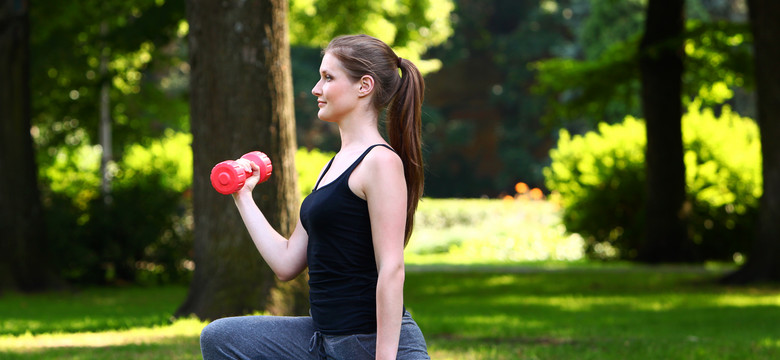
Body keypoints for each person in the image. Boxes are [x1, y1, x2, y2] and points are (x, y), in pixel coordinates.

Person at [199, 34, 430, 360]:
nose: (316, 89)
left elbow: (391, 268)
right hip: (323, 341)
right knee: (221, 338)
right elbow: (286, 262)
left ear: (364, 86)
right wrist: (243, 196)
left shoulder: (380, 162)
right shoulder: (333, 165)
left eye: (328, 78)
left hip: (370, 343)